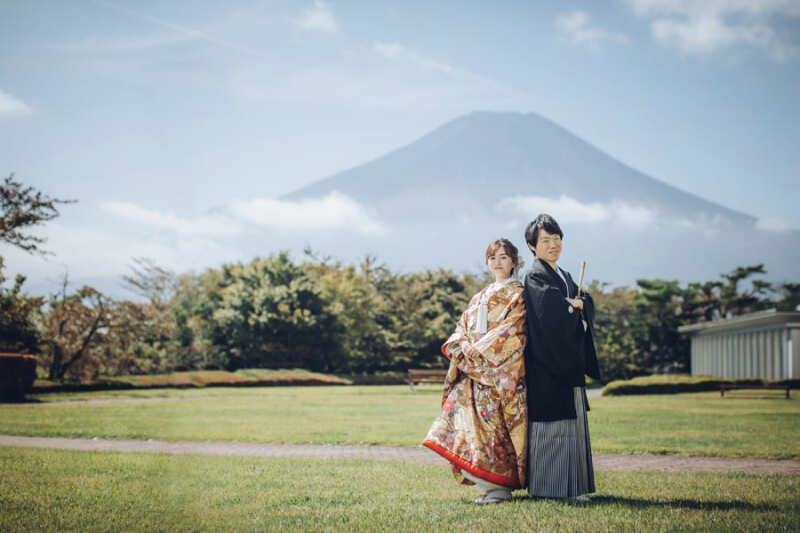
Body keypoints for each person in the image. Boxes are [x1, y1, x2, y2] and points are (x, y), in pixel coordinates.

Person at [423, 238, 528, 504]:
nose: (498, 262)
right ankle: (486, 484)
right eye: (493, 257)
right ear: (486, 262)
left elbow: (513, 329)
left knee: (494, 428)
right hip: (472, 371)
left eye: (504, 257)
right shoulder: (480, 296)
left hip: (495, 371)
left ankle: (499, 488)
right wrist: (463, 344)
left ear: (514, 261)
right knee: (466, 426)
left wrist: (480, 348)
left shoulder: (518, 294)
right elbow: (462, 325)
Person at [522, 213, 601, 501]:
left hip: (567, 363)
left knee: (573, 428)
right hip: (546, 366)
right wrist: (572, 306)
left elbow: (584, 302)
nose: (553, 245)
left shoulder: (564, 275)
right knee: (552, 429)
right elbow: (549, 313)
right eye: (545, 240)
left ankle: (573, 487)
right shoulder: (535, 276)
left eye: (557, 239)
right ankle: (550, 488)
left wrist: (580, 304)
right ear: (532, 246)